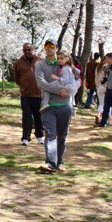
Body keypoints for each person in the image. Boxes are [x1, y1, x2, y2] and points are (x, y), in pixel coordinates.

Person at [34, 42, 79, 172]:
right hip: (48, 106)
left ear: (57, 48)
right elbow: (41, 83)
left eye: (52, 47)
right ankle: (50, 163)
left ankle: (60, 162)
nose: (49, 49)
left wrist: (71, 90)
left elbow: (78, 80)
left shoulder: (67, 64)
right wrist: (59, 91)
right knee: (50, 134)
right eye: (47, 47)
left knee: (63, 135)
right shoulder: (41, 65)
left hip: (65, 105)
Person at [13, 43, 43, 146]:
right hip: (25, 95)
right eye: (25, 50)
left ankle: (39, 136)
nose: (27, 52)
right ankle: (25, 137)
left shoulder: (40, 61)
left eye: (29, 50)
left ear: (33, 50)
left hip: (38, 94)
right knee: (26, 117)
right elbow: (17, 78)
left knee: (38, 116)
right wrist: (23, 86)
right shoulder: (18, 63)